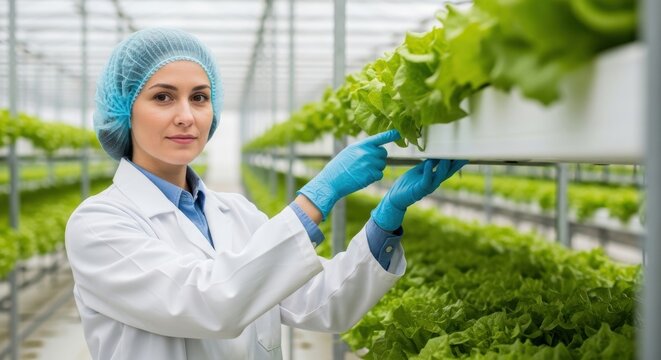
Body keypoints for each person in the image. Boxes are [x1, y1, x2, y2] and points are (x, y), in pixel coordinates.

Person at [65, 27, 467, 360]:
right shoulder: (98, 225)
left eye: (200, 97)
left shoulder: (235, 211)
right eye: (163, 97)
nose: (186, 116)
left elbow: (323, 303)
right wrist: (317, 196)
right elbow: (209, 302)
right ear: (123, 110)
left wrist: (387, 216)